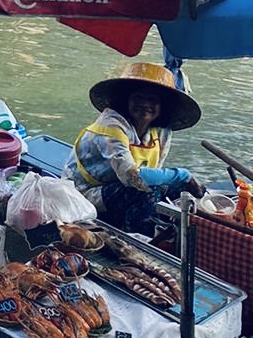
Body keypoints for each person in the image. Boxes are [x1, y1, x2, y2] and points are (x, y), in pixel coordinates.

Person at [65, 60, 204, 236]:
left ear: (162, 106)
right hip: (83, 193)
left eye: (153, 100)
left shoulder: (161, 131)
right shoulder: (111, 126)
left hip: (117, 189)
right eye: (139, 97)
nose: (146, 104)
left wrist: (183, 182)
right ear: (126, 99)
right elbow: (132, 178)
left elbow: (156, 173)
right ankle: (137, 243)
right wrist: (184, 175)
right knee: (145, 192)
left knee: (186, 190)